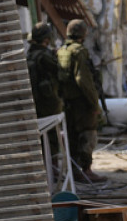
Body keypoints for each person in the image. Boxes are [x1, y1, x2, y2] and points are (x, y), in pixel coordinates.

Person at [58, 19, 106, 182]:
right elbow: (83, 80)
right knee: (88, 134)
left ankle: (75, 170)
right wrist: (94, 103)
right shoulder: (79, 51)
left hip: (68, 102)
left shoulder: (62, 51)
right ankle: (86, 169)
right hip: (81, 102)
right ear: (83, 34)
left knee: (72, 136)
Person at [26, 22, 63, 118]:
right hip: (49, 105)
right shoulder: (44, 56)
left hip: (35, 105)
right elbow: (60, 71)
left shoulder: (29, 55)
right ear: (47, 39)